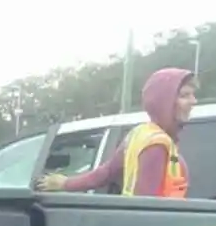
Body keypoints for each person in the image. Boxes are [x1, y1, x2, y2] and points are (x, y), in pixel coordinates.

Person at [39, 68, 196, 196]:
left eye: (192, 95)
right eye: (184, 96)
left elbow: (106, 172)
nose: (193, 101)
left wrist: (66, 183)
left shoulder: (140, 134)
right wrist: (65, 184)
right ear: (164, 102)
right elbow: (147, 209)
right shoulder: (156, 145)